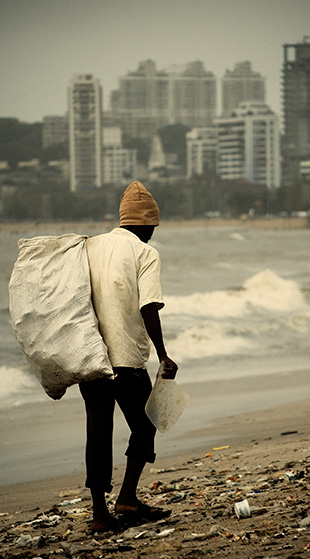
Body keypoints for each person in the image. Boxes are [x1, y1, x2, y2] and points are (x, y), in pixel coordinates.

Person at [80, 181, 178, 532]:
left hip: (89, 357)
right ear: (145, 224)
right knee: (146, 423)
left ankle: (99, 514)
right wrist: (164, 354)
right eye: (152, 227)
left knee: (98, 431)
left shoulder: (90, 246)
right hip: (125, 360)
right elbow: (149, 305)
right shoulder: (144, 252)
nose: (152, 234)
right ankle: (127, 497)